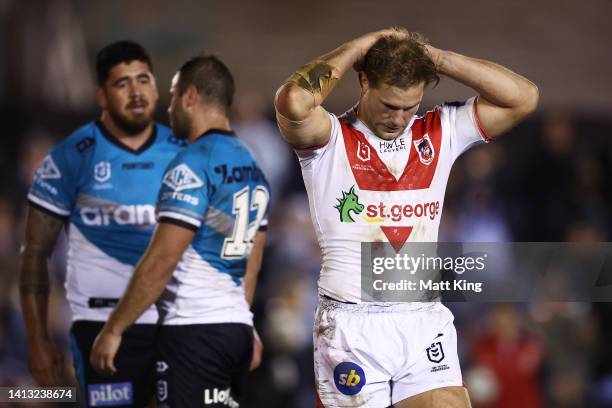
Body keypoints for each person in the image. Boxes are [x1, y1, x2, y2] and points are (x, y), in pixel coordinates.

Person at [274, 27, 539, 408]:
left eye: (409, 106)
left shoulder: (440, 130)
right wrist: (357, 48)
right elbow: (294, 101)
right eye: (388, 104)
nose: (398, 117)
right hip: (353, 326)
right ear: (363, 81)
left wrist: (438, 58)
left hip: (423, 318)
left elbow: (524, 98)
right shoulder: (329, 140)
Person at [90, 54, 270, 408]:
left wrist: (114, 329)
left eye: (172, 96)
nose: (168, 107)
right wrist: (244, 322)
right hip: (234, 331)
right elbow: (252, 261)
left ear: (190, 97)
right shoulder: (251, 164)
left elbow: (163, 258)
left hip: (193, 331)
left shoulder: (192, 164)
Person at [20, 40, 185, 407]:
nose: (137, 92)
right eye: (122, 83)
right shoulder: (69, 158)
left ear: (157, 88)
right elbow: (34, 254)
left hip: (175, 324)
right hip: (99, 329)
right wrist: (37, 340)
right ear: (101, 95)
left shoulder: (184, 156)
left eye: (143, 79)